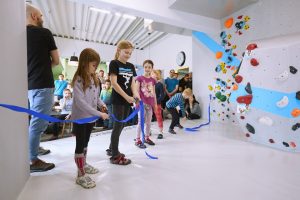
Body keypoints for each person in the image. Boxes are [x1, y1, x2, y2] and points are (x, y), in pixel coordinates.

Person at [26, 3, 60, 172]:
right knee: (38, 123)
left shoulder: (19, 35)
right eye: (40, 15)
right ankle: (32, 160)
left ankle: (35, 147)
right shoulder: (44, 33)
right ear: (33, 16)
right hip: (43, 84)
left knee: (34, 121)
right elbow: (56, 60)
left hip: (29, 86)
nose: (41, 18)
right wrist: (45, 66)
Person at [70, 48, 109, 189]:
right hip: (81, 118)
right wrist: (99, 114)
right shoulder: (78, 80)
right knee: (80, 145)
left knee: (86, 142)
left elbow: (96, 98)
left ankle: (83, 164)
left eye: (96, 65)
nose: (95, 68)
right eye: (93, 65)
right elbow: (81, 103)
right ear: (85, 63)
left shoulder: (94, 78)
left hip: (90, 119)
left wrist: (102, 105)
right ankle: (80, 175)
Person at [106, 40, 139, 165]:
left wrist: (135, 94)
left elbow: (132, 83)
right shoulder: (114, 63)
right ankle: (115, 155)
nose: (128, 55)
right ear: (119, 50)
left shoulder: (130, 66)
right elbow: (114, 83)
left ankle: (111, 148)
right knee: (117, 126)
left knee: (122, 125)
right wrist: (127, 97)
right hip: (118, 100)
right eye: (126, 52)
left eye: (130, 53)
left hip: (127, 99)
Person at [135, 60, 157, 148]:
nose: (147, 69)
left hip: (150, 104)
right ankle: (138, 139)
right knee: (141, 122)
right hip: (141, 104)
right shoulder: (139, 78)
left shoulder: (153, 80)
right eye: (146, 67)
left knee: (148, 122)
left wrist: (155, 104)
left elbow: (154, 93)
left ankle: (147, 137)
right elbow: (136, 91)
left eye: (149, 67)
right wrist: (137, 103)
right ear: (143, 67)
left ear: (152, 68)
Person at [152, 70, 165, 139]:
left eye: (153, 74)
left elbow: (162, 96)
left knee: (159, 117)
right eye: (151, 74)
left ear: (157, 75)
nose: (151, 75)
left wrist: (156, 102)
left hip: (157, 104)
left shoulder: (160, 84)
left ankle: (160, 132)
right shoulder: (149, 84)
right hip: (149, 103)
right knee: (148, 118)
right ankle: (149, 130)